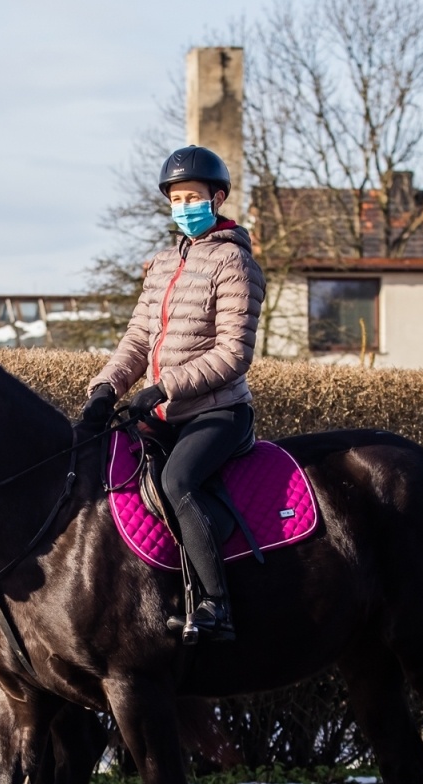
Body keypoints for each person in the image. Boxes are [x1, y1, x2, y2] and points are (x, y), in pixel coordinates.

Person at [79, 145, 265, 642]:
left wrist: (163, 387)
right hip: (162, 411)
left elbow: (233, 354)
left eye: (193, 197)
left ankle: (215, 604)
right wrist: (104, 389)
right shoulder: (162, 266)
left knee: (178, 481)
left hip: (218, 412)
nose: (184, 206)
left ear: (217, 197)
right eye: (176, 198)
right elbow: (138, 339)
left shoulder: (235, 264)